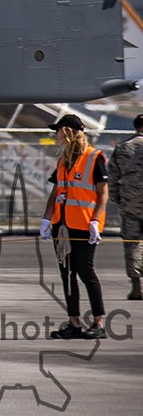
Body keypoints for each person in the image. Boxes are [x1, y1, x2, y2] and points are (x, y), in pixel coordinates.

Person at [41, 113, 110, 338]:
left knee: (85, 272)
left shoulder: (94, 157)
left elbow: (103, 194)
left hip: (84, 224)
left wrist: (95, 221)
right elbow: (55, 192)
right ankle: (74, 323)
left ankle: (98, 323)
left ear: (68, 132)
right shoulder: (63, 161)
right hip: (61, 226)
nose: (56, 135)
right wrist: (46, 219)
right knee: (67, 273)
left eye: (58, 131)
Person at [113, 113, 143, 302]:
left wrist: (119, 199)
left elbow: (112, 177)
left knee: (132, 244)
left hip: (130, 204)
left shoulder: (123, 148)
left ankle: (136, 287)